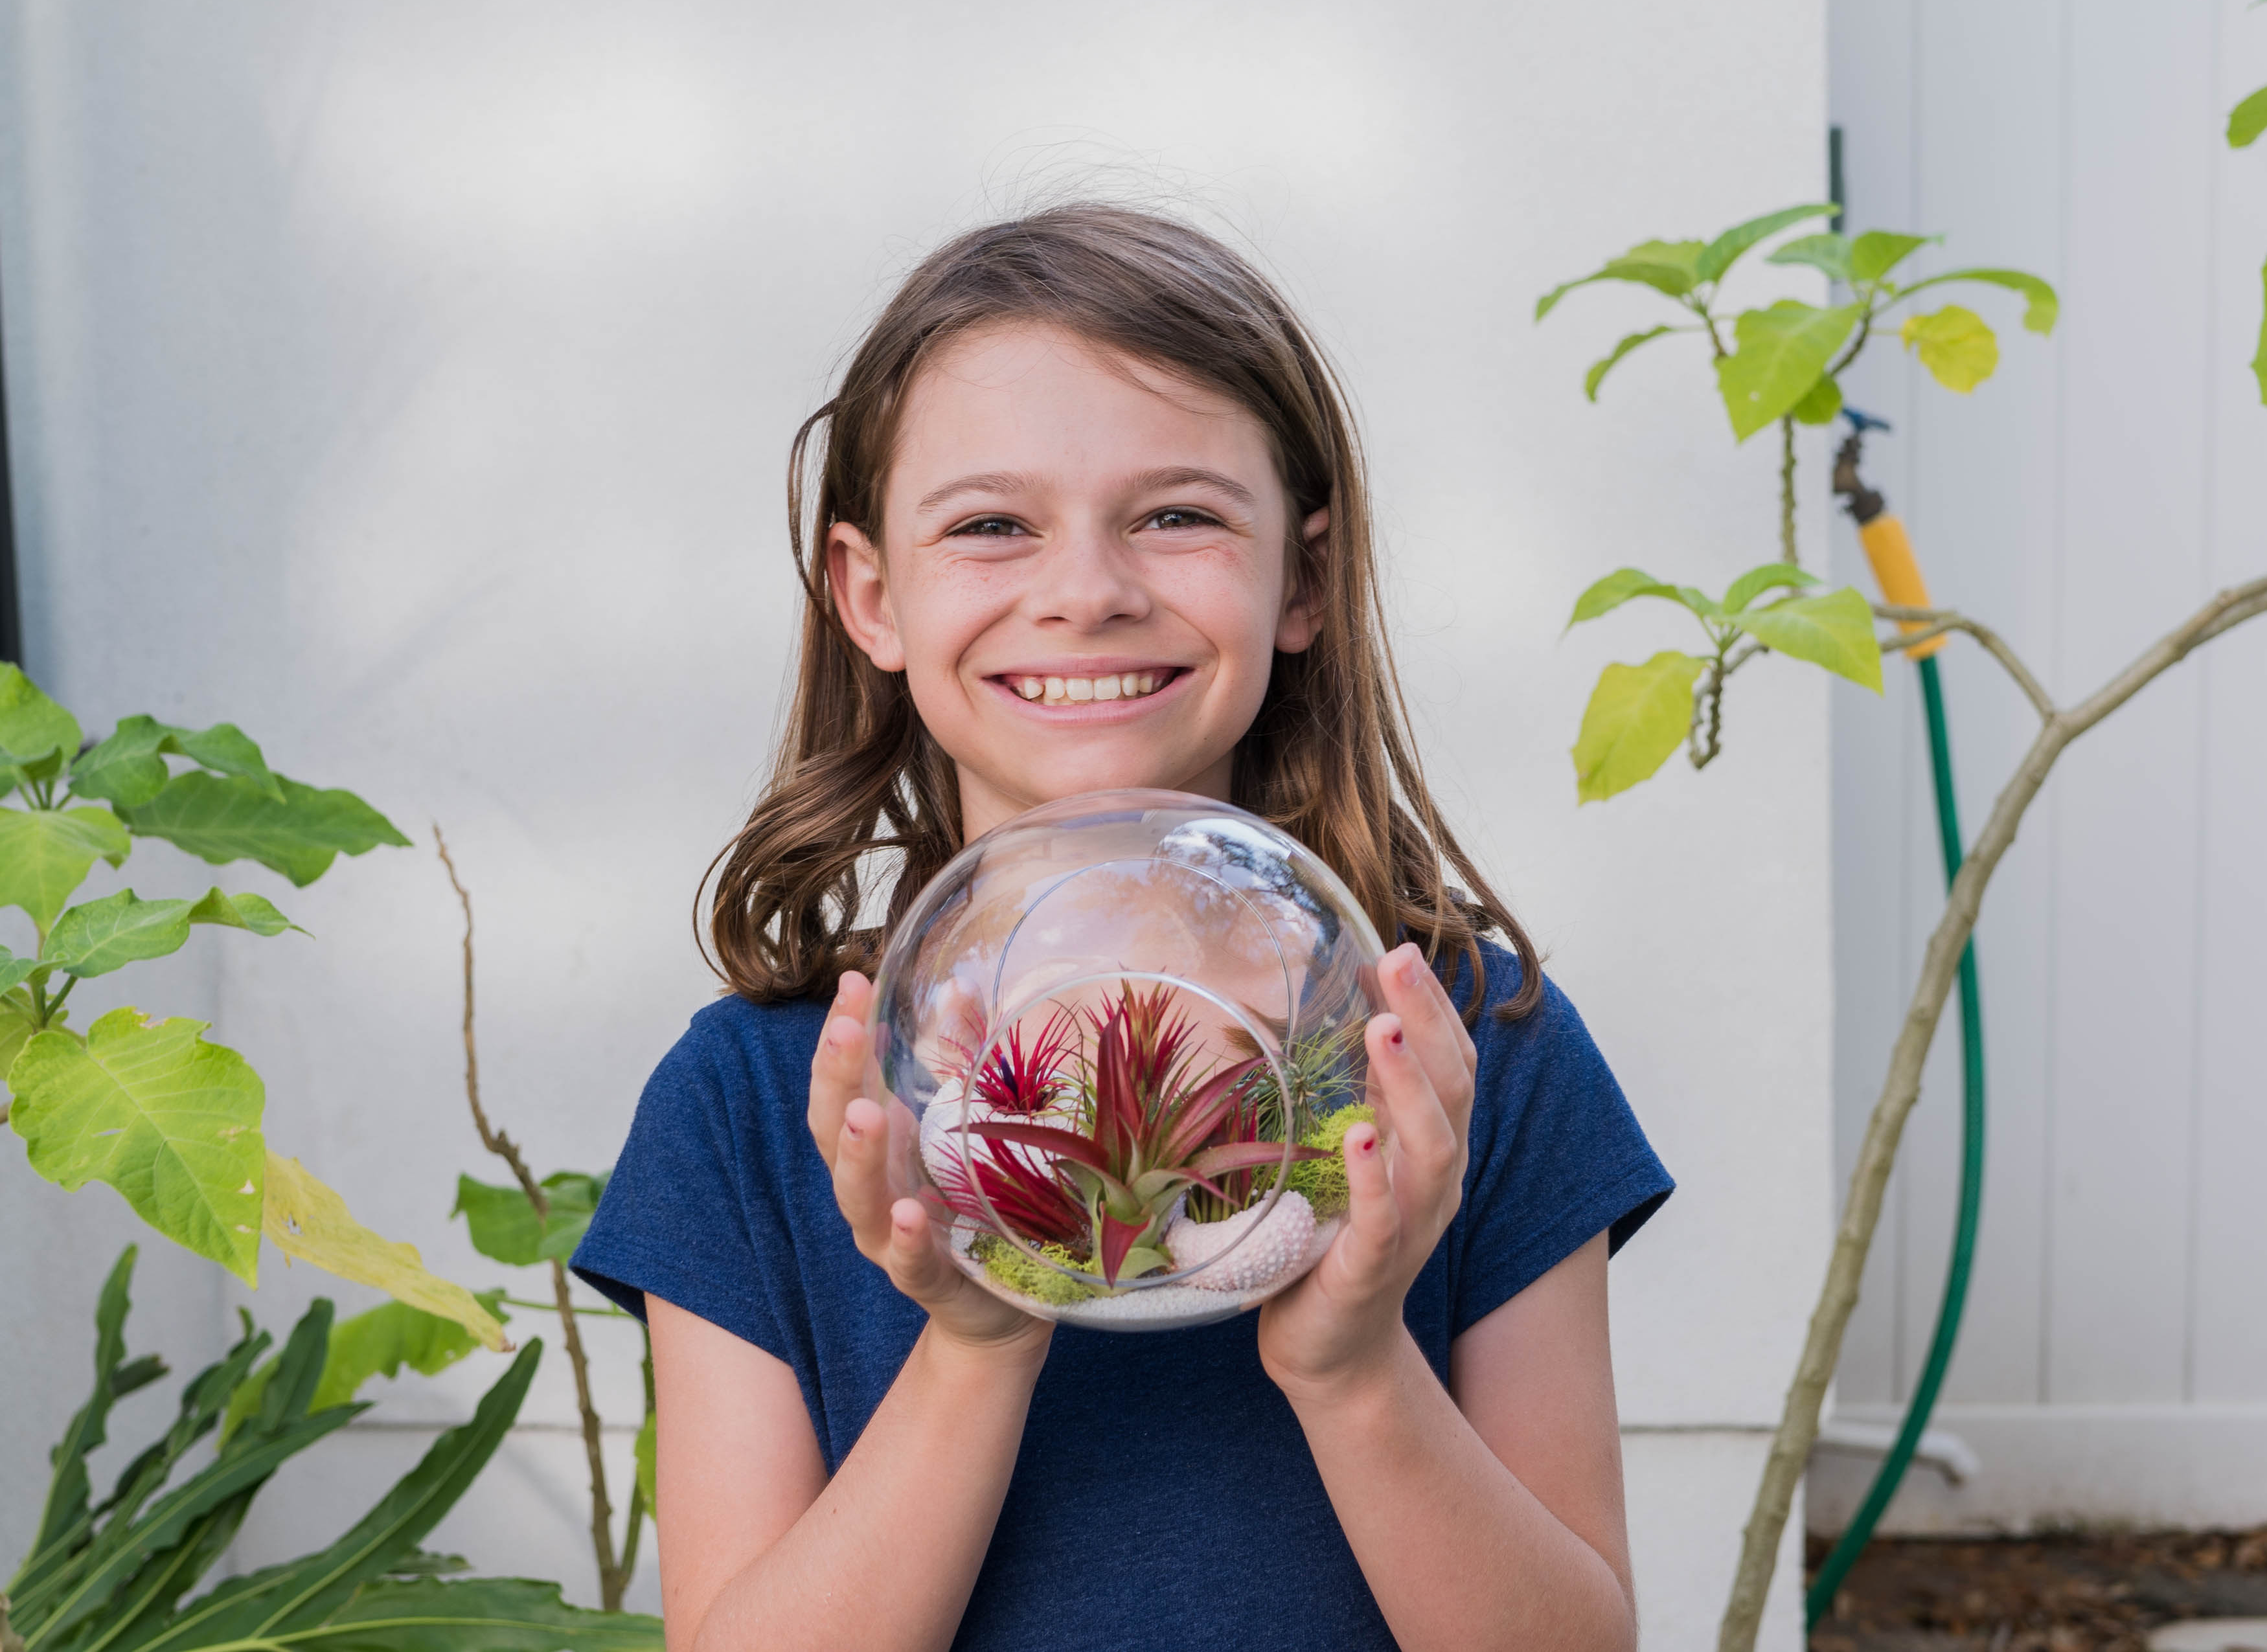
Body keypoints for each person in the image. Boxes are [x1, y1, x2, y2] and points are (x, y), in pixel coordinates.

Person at [571, 203, 1673, 1652]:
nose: (1085, 592)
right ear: (868, 593)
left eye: (1177, 515)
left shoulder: (1465, 1051)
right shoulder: (751, 1103)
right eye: (988, 526)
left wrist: (1352, 1368)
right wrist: (973, 1335)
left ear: (1305, 578)